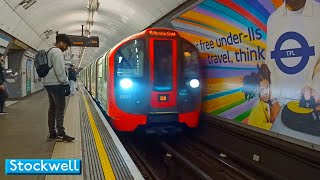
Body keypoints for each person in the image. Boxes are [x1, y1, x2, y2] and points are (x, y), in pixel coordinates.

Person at [265, 0, 320, 122]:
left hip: (314, 109)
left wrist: (316, 91)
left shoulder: (318, 13)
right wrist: (274, 102)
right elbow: (271, 64)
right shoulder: (273, 20)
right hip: (281, 109)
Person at [43, 34, 75, 142]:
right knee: (60, 109)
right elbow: (60, 70)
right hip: (56, 84)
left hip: (48, 83)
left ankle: (52, 133)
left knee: (52, 108)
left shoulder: (49, 51)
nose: (66, 48)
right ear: (61, 43)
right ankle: (61, 133)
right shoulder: (57, 52)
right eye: (66, 45)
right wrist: (65, 83)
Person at [243, 64, 274, 130]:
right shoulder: (258, 107)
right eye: (262, 90)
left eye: (267, 87)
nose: (266, 92)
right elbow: (262, 128)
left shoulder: (265, 102)